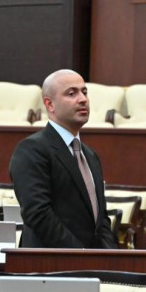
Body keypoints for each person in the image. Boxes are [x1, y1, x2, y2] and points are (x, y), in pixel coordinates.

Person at [9, 69, 116, 248]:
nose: (83, 99)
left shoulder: (90, 155)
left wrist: (108, 256)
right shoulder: (32, 149)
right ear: (49, 104)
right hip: (51, 262)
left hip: (91, 262)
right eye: (71, 93)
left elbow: (101, 218)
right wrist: (79, 254)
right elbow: (38, 214)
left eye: (84, 92)